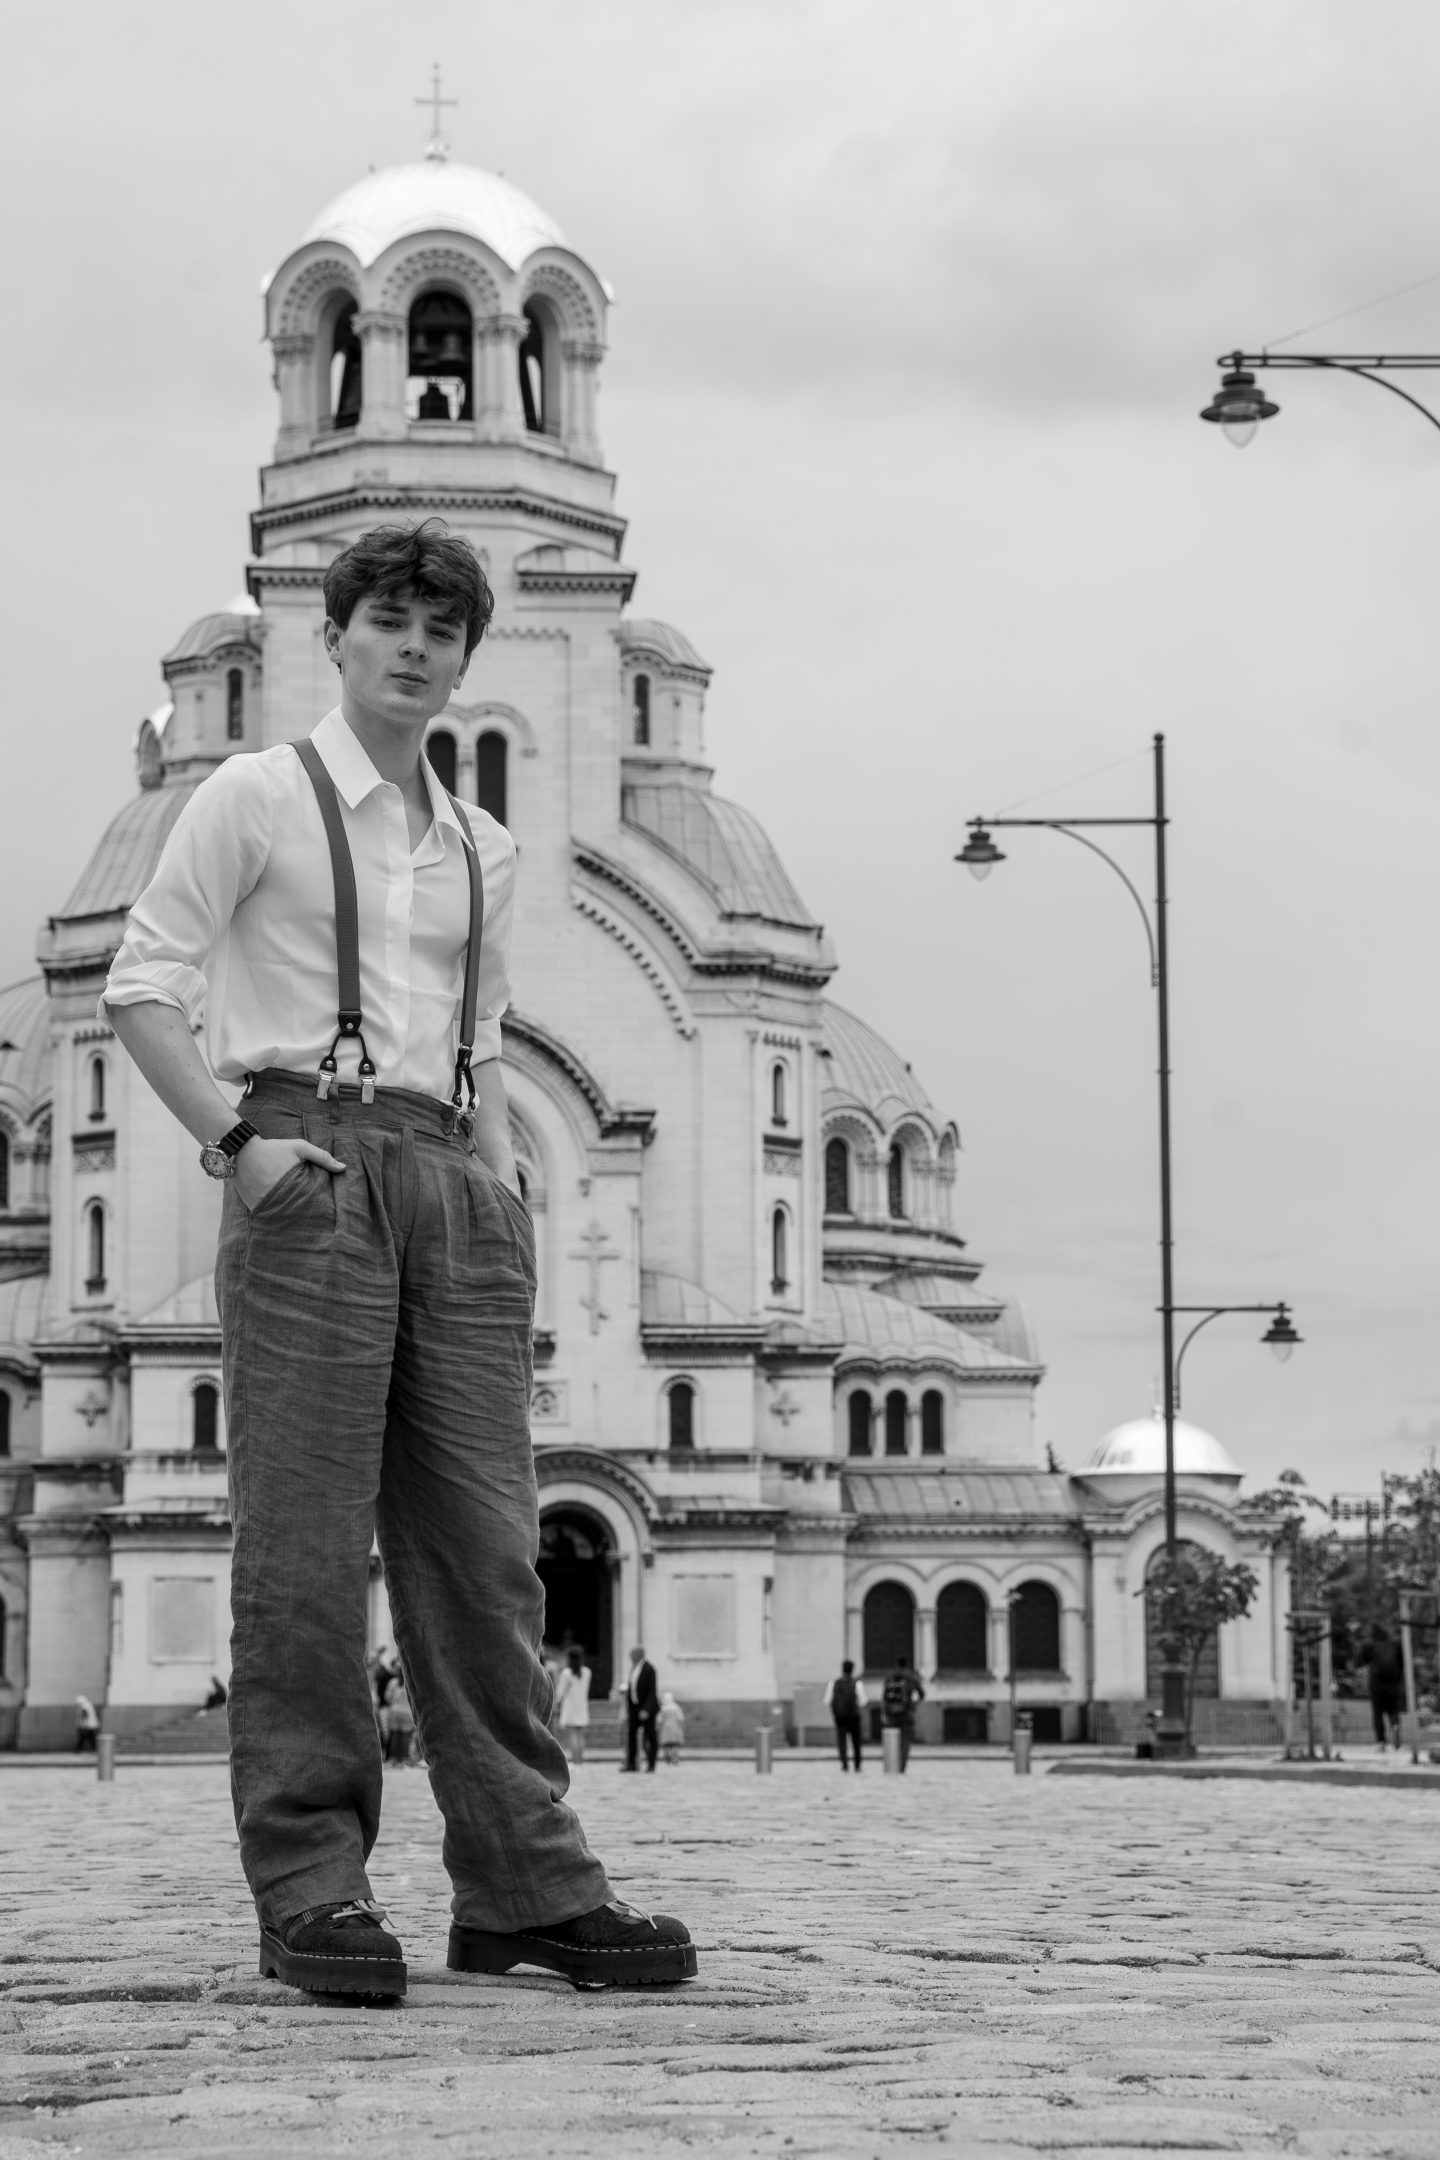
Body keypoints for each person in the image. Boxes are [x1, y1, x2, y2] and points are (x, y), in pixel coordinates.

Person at [102, 521, 695, 1998]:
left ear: (467, 656)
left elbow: (481, 1038)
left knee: (487, 1552)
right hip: (304, 1153)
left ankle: (525, 1889)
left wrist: (495, 1186)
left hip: (451, 1181)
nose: (416, 649)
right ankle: (312, 1885)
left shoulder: (486, 846)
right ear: (337, 636)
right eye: (390, 622)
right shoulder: (254, 795)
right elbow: (143, 987)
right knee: (303, 1550)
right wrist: (237, 1146)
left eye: (443, 631)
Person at [1359, 1626, 1406, 1750]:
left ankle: (1381, 1741)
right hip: (1393, 1683)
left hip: (1377, 1683)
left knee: (1378, 1713)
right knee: (1393, 1710)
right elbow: (1402, 1663)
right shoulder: (1395, 1644)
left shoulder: (1370, 1645)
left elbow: (1362, 1660)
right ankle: (1395, 1725)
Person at [881, 1656, 926, 1770]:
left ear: (896, 1664)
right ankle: (901, 1766)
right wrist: (913, 1704)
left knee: (893, 1740)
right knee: (905, 1741)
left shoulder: (890, 1677)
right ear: (906, 1665)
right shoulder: (911, 1677)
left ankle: (892, 1764)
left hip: (892, 1713)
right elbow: (921, 1694)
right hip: (906, 1713)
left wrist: (884, 1713)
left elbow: (885, 1697)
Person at [824, 1660, 867, 1771]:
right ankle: (857, 1765)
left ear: (842, 1669)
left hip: (840, 1717)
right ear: (852, 1670)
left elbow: (827, 1701)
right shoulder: (857, 1683)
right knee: (856, 1741)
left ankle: (844, 1764)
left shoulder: (834, 1683)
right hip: (854, 1716)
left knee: (842, 1741)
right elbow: (863, 1701)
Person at [622, 1646, 660, 1773]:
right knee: (631, 1735)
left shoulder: (649, 1669)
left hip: (646, 1709)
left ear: (639, 1655)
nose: (630, 1657)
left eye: (632, 1654)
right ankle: (631, 1764)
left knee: (650, 1735)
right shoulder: (634, 1668)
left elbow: (651, 1691)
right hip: (634, 1707)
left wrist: (646, 1709)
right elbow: (632, 1688)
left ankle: (651, 1764)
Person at [553, 1648, 592, 1766]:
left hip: (570, 1707)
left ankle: (575, 1761)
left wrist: (557, 1702)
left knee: (572, 1736)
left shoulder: (567, 1673)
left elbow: (560, 1691)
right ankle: (580, 1760)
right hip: (582, 1706)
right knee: (580, 1735)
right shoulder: (587, 1672)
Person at [657, 1693, 685, 1766]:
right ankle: (675, 1757)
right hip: (675, 1727)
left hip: (665, 1727)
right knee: (675, 1744)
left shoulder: (663, 1708)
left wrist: (659, 1726)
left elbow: (659, 1719)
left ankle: (667, 1758)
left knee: (666, 1744)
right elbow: (680, 1718)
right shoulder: (676, 1707)